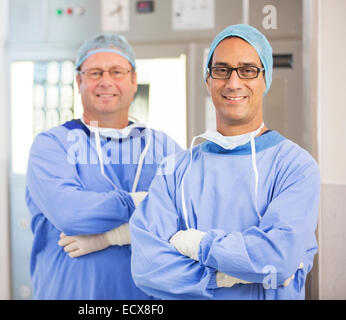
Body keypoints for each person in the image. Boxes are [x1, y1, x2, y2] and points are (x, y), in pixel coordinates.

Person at [129, 24, 320, 300]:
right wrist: (225, 276)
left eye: (248, 70)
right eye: (222, 70)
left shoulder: (295, 167)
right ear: (208, 80)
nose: (233, 82)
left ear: (265, 80)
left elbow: (277, 259)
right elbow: (147, 267)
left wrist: (199, 245)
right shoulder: (175, 171)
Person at [25, 33, 182, 299]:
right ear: (79, 81)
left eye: (117, 72)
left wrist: (110, 236)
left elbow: (185, 219)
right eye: (95, 72)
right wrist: (142, 202)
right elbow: (71, 215)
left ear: (134, 80)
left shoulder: (164, 148)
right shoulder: (52, 146)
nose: (106, 81)